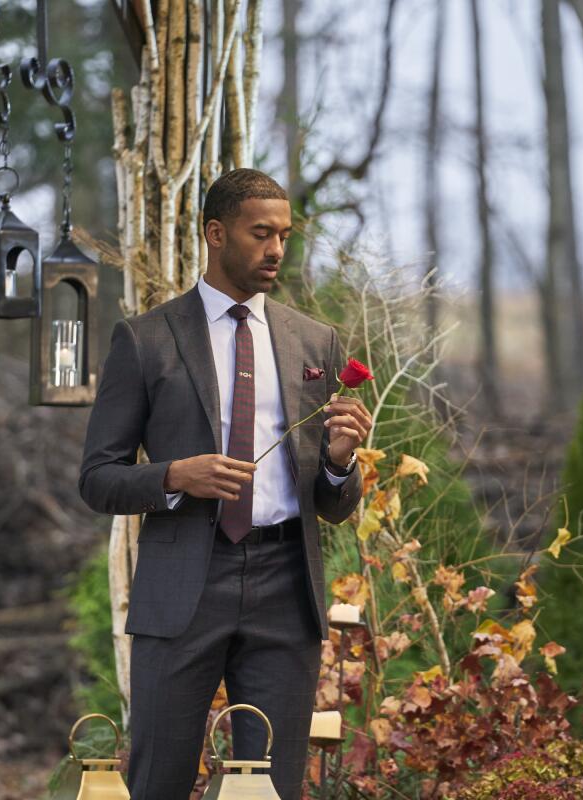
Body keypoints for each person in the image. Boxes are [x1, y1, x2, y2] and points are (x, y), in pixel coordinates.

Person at [79, 167, 371, 800]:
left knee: (271, 790)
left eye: (285, 236)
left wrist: (340, 462)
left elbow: (334, 505)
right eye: (260, 233)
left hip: (285, 589)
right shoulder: (146, 339)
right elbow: (98, 480)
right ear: (216, 233)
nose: (275, 250)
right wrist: (176, 477)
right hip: (185, 583)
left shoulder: (312, 340)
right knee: (159, 782)